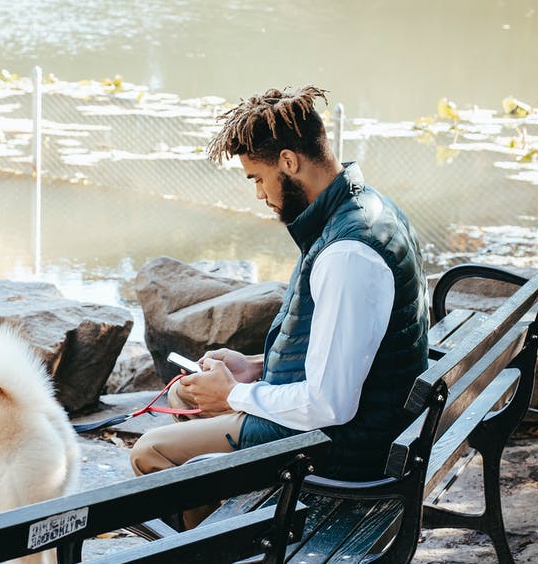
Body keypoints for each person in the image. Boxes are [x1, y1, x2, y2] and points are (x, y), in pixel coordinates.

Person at [129, 86, 430, 503]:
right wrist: (254, 366)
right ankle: (226, 515)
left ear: (288, 161)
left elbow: (330, 406)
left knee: (150, 452)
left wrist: (233, 393)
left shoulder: (348, 253)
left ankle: (233, 542)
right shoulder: (362, 209)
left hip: (344, 450)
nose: (258, 193)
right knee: (186, 393)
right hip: (360, 421)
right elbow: (347, 351)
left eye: (257, 177)